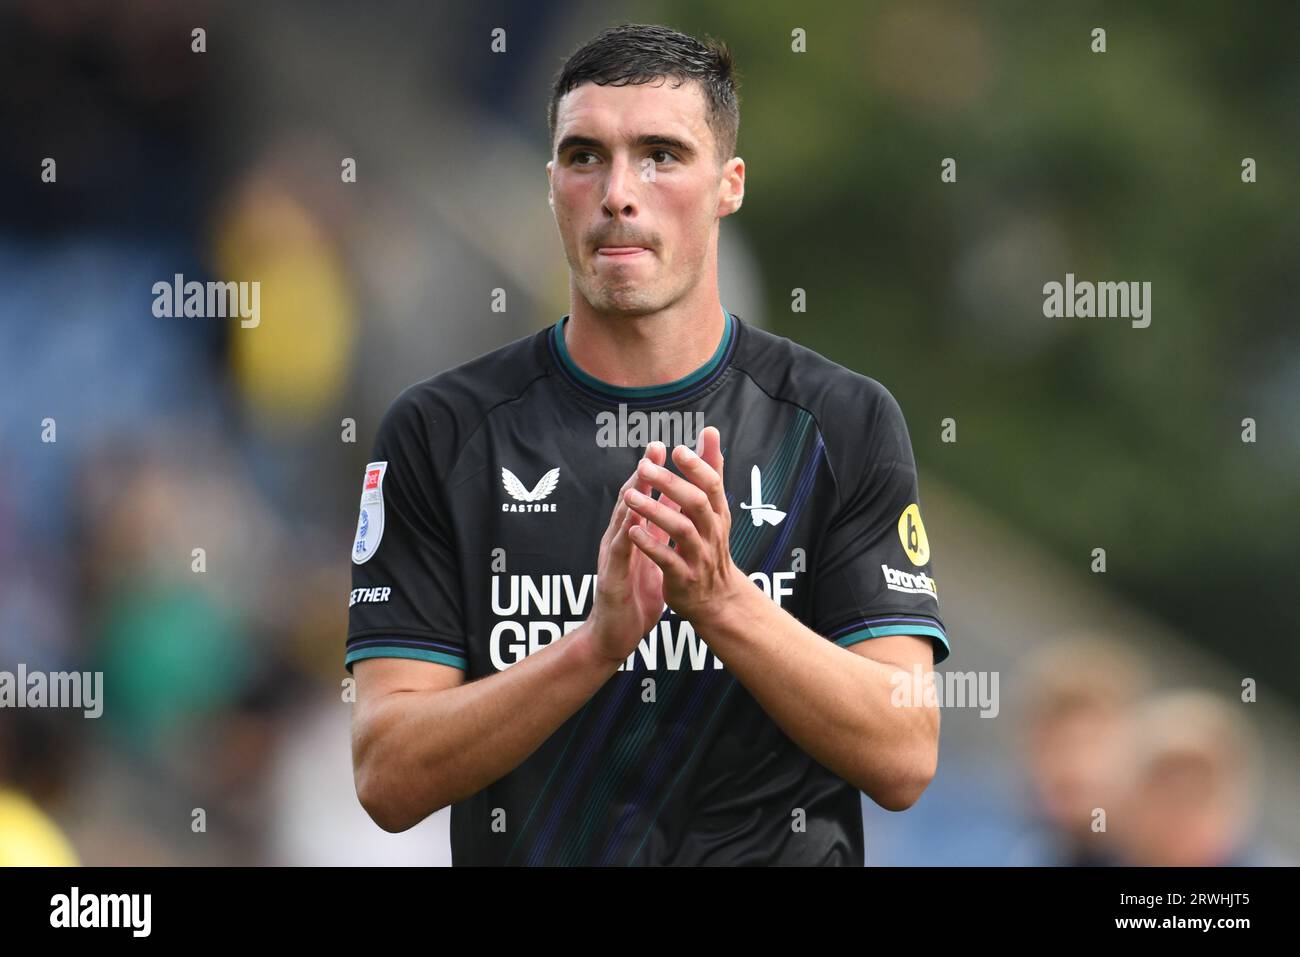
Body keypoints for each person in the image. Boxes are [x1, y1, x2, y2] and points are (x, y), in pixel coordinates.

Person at [345, 22, 948, 865]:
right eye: (586, 155)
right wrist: (593, 647)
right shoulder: (441, 432)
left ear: (728, 185)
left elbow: (905, 751)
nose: (619, 192)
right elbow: (386, 770)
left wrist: (723, 600)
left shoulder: (839, 421)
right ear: (551, 182)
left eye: (661, 154)